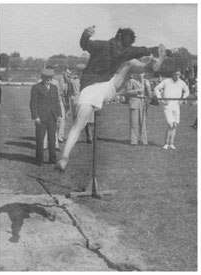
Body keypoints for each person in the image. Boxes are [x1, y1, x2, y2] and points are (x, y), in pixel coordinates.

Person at [56, 25, 172, 171]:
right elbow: (86, 44)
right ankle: (149, 65)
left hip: (99, 88)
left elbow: (85, 44)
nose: (122, 49)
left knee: (78, 126)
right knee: (131, 64)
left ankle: (65, 158)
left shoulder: (115, 47)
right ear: (120, 40)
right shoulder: (115, 47)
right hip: (100, 90)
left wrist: (85, 35)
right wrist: (163, 50)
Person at [30, 68, 62, 166]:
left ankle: (52, 159)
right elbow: (33, 103)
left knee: (52, 138)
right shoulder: (36, 87)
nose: (48, 79)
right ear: (42, 77)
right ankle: (39, 160)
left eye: (50, 78)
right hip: (41, 118)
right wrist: (36, 117)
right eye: (46, 77)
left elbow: (57, 102)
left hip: (52, 117)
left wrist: (59, 115)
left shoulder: (53, 87)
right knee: (40, 139)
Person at [154, 68, 189, 150]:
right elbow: (156, 88)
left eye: (179, 74)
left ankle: (171, 143)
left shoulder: (181, 82)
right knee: (170, 123)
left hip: (176, 105)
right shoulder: (166, 81)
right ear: (172, 74)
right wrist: (160, 99)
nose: (177, 76)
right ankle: (166, 143)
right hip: (167, 104)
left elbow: (187, 91)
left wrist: (182, 99)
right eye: (175, 74)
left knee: (175, 124)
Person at [126, 72, 152, 145]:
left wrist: (148, 87)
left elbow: (150, 95)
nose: (140, 75)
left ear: (144, 74)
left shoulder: (146, 81)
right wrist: (137, 91)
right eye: (139, 73)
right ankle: (133, 141)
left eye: (142, 73)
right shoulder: (132, 81)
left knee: (143, 123)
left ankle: (144, 141)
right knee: (134, 123)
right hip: (134, 104)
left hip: (143, 104)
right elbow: (127, 92)